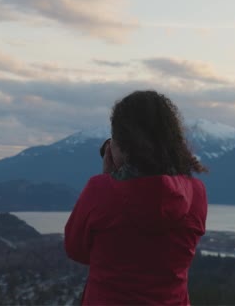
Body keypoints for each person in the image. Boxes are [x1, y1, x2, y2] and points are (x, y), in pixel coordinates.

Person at [65, 90, 208, 305]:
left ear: (122, 146)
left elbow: (77, 250)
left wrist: (108, 180)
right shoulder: (196, 192)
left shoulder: (99, 190)